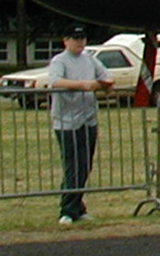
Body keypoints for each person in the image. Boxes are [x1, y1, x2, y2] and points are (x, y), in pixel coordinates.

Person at [46, 25, 113, 223]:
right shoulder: (59, 60)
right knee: (72, 166)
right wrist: (82, 85)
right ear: (66, 40)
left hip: (88, 119)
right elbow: (55, 82)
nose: (80, 42)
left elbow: (107, 78)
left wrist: (103, 84)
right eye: (75, 38)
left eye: (82, 38)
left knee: (85, 166)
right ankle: (67, 210)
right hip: (66, 122)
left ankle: (78, 207)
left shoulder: (90, 59)